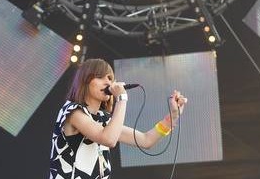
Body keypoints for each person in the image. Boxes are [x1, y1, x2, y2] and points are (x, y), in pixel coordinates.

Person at [49, 58, 188, 179]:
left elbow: (146, 140)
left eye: (110, 78)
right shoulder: (73, 111)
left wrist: (172, 117)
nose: (108, 82)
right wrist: (122, 98)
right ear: (85, 80)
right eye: (100, 76)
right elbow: (108, 139)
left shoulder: (103, 119)